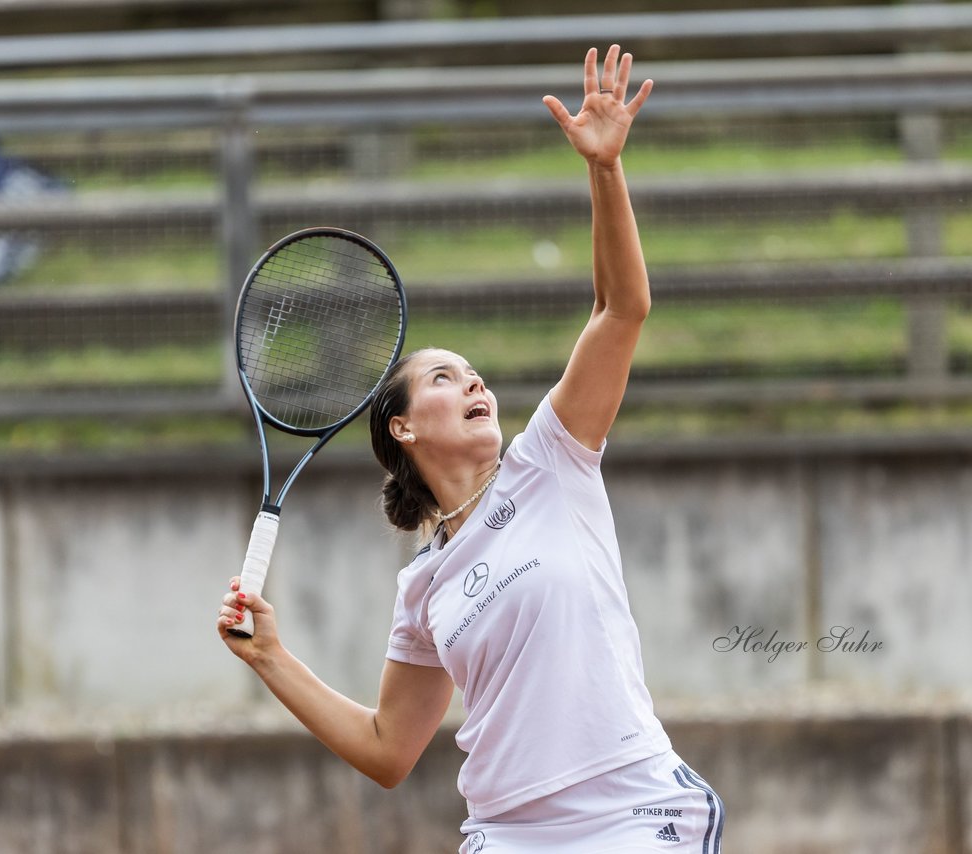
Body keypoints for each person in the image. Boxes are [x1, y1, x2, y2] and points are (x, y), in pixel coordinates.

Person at [218, 45, 725, 853]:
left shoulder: (551, 461)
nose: (475, 382)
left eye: (476, 374)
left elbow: (621, 307)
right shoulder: (423, 588)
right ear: (403, 427)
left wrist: (605, 170)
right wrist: (271, 657)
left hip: (626, 815)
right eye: (447, 378)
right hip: (506, 834)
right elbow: (389, 751)